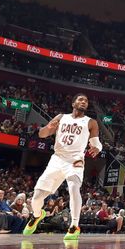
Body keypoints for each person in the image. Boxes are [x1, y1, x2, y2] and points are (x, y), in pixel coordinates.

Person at [24, 93, 102, 241]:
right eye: (80, 99)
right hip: (57, 159)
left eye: (86, 100)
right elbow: (42, 134)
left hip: (75, 160)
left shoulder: (91, 122)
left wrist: (97, 148)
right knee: (37, 197)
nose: (84, 102)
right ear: (73, 103)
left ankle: (74, 226)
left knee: (73, 188)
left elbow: (96, 142)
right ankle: (37, 215)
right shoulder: (61, 117)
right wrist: (48, 127)